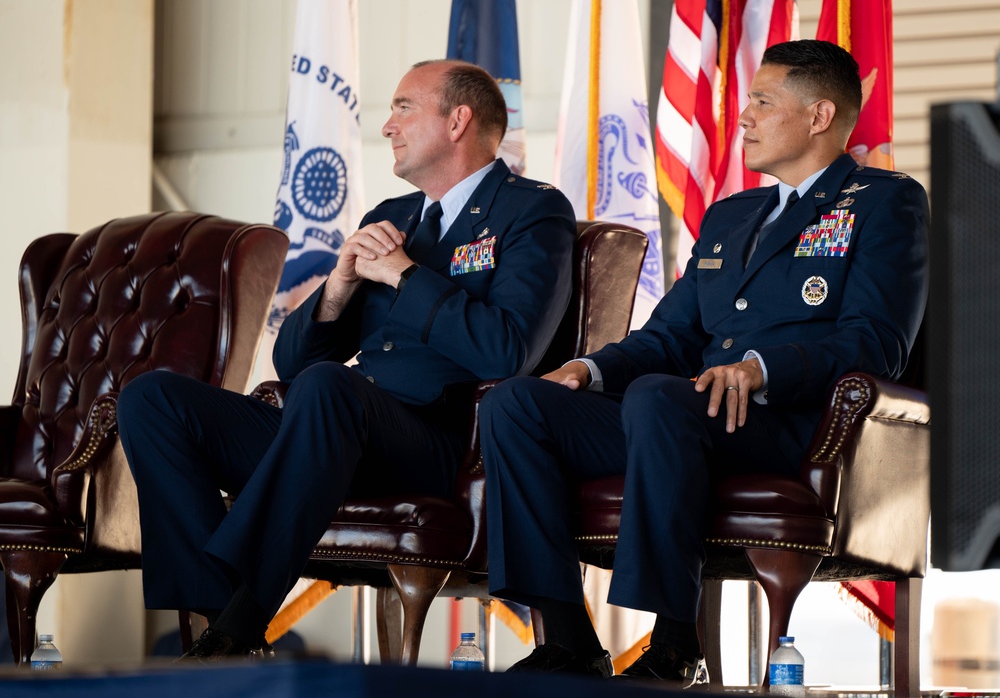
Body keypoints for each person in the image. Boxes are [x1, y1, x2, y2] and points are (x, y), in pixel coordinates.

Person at [479, 39, 929, 684]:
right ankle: (568, 638)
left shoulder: (883, 201)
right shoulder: (730, 215)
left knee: (661, 397)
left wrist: (758, 368)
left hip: (792, 425)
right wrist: (589, 370)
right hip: (685, 419)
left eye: (762, 102)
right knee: (516, 403)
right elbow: (668, 336)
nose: (742, 118)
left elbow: (877, 341)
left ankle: (673, 642)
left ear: (819, 116)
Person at [117, 59, 576, 660]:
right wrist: (336, 288)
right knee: (153, 399)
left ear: (458, 120)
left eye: (404, 107)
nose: (387, 125)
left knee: (331, 388)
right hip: (329, 430)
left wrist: (406, 277)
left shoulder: (531, 211)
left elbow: (510, 349)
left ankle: (242, 622)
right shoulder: (393, 217)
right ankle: (218, 609)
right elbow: (291, 363)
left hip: (436, 440)